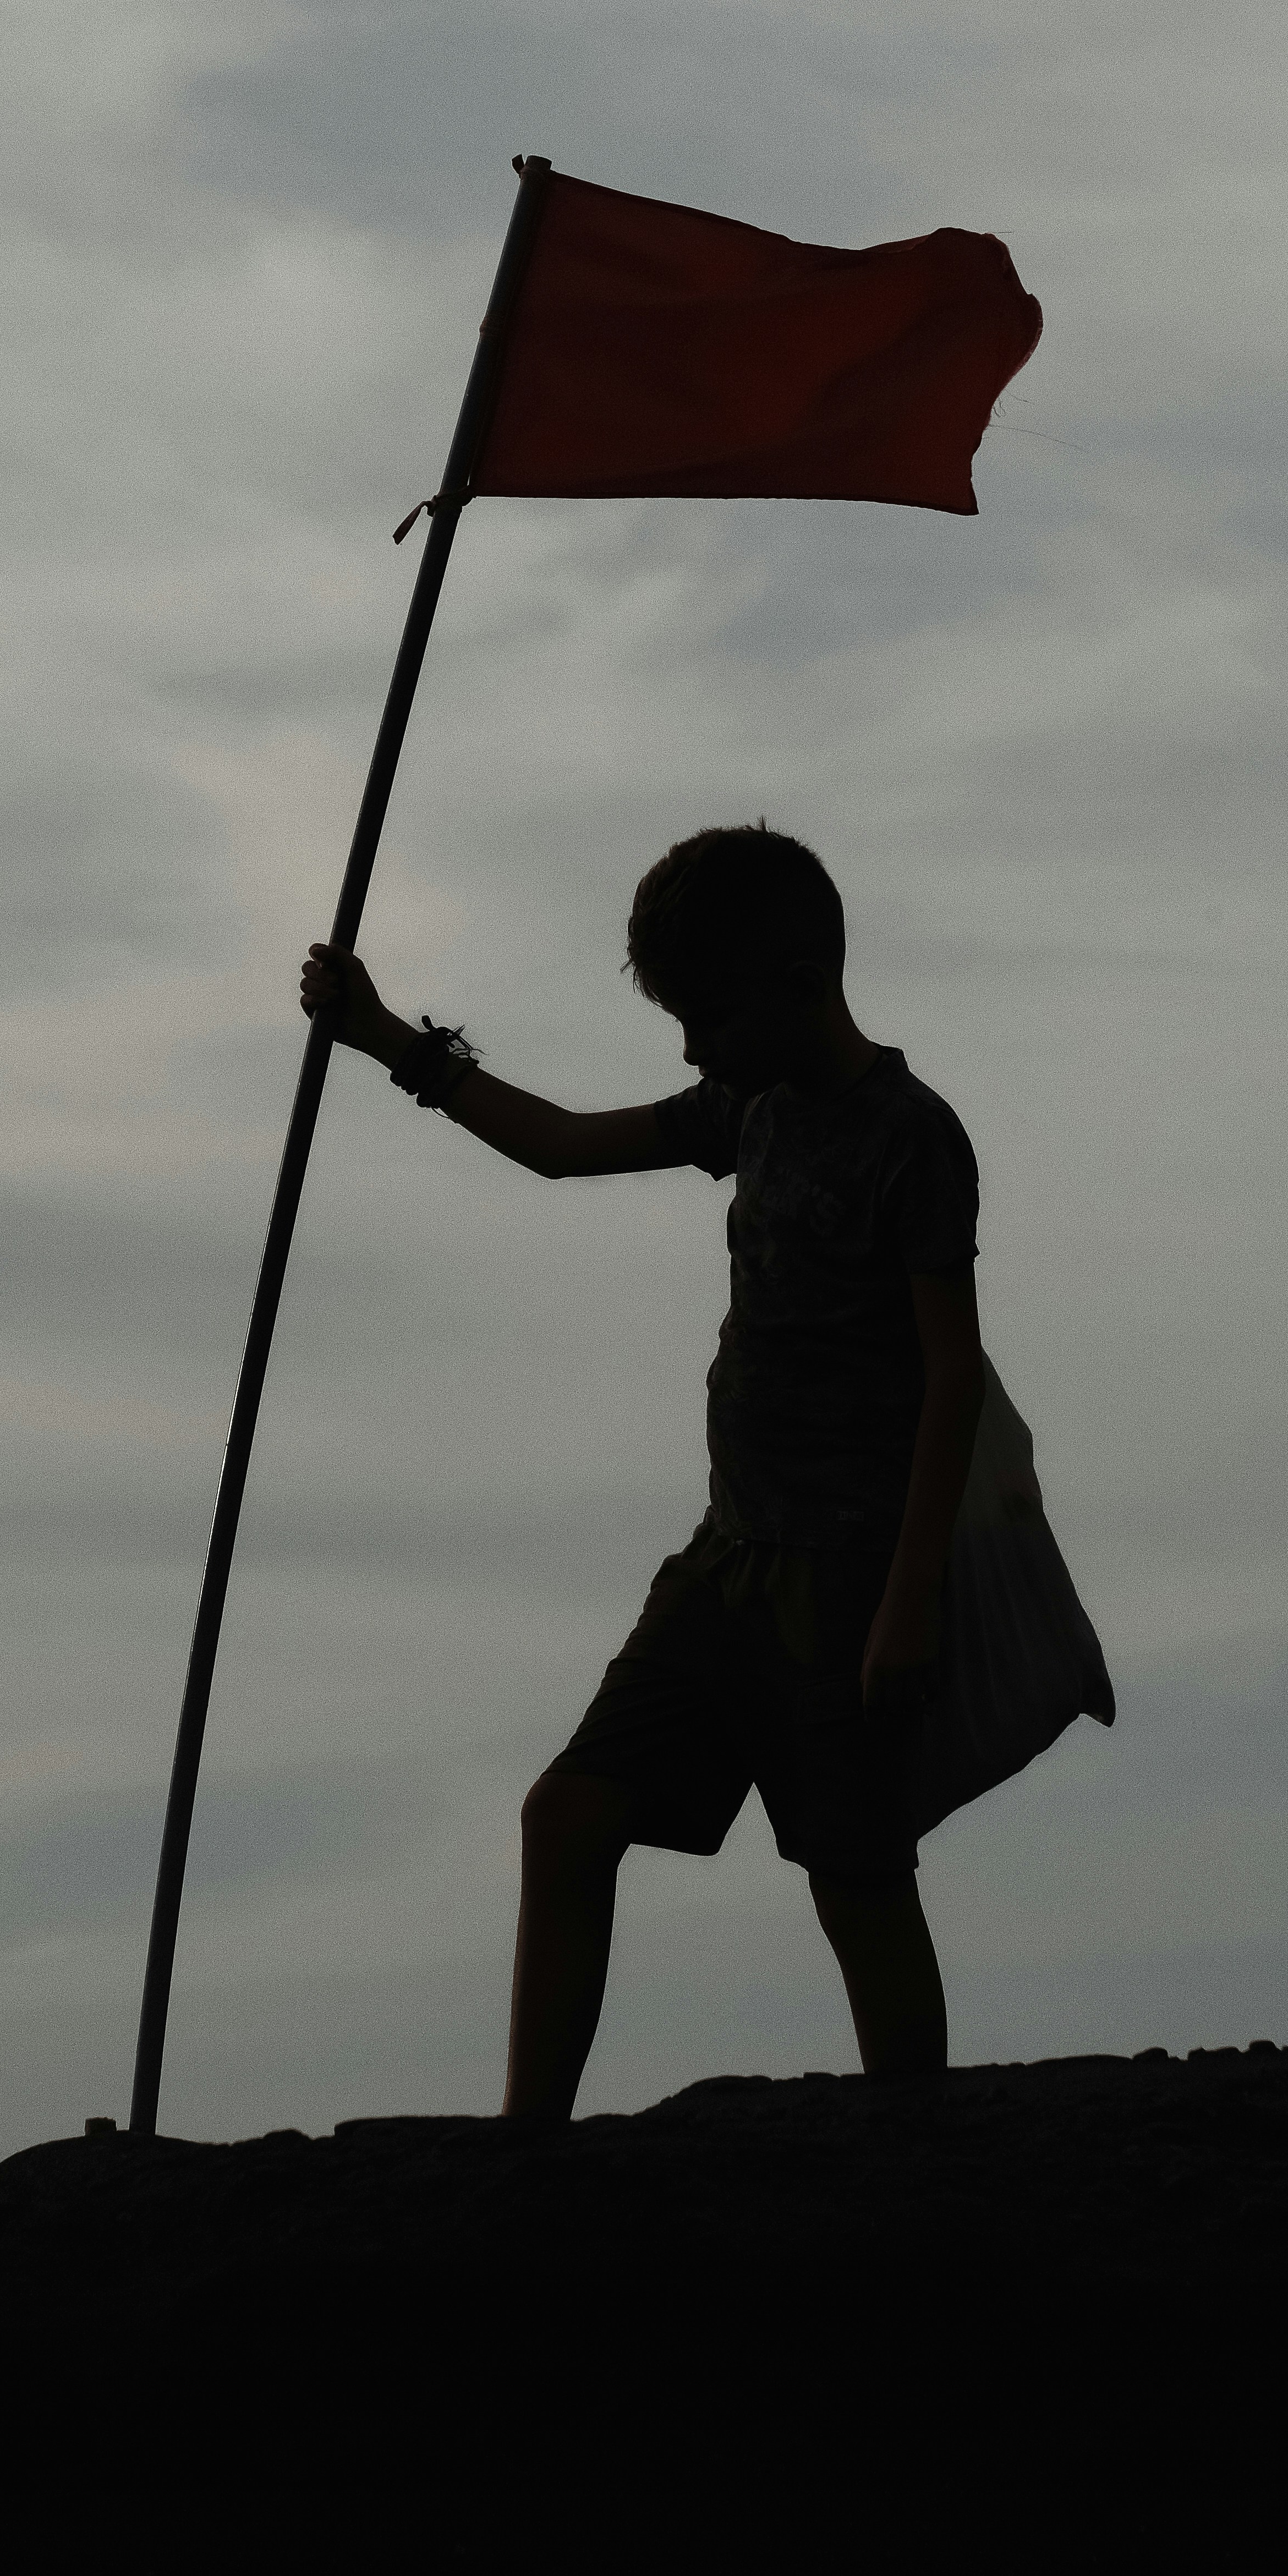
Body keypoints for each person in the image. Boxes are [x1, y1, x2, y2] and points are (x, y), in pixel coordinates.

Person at [300, 820, 985, 2120]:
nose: (690, 1047)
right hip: (727, 1564)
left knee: (856, 1876)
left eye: (707, 1014)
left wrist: (910, 1597)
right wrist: (387, 1041)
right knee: (568, 1816)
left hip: (848, 1579)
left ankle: (916, 2144)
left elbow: (951, 1378)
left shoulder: (913, 1138)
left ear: (798, 978)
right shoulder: (748, 1109)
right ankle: (529, 2141)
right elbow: (560, 1145)